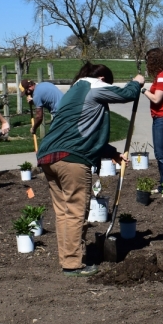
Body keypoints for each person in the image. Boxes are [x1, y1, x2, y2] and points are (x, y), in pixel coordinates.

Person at [37, 62, 143, 276]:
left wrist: (111, 152)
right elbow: (125, 94)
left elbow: (82, 131)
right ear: (103, 79)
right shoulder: (95, 86)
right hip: (72, 160)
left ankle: (68, 259)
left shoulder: (72, 94)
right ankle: (73, 265)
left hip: (49, 156)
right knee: (76, 211)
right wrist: (137, 82)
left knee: (64, 212)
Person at [141, 48, 163, 190]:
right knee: (160, 153)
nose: (147, 64)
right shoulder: (161, 76)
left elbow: (156, 99)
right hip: (160, 118)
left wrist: (144, 90)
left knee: (161, 155)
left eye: (148, 60)